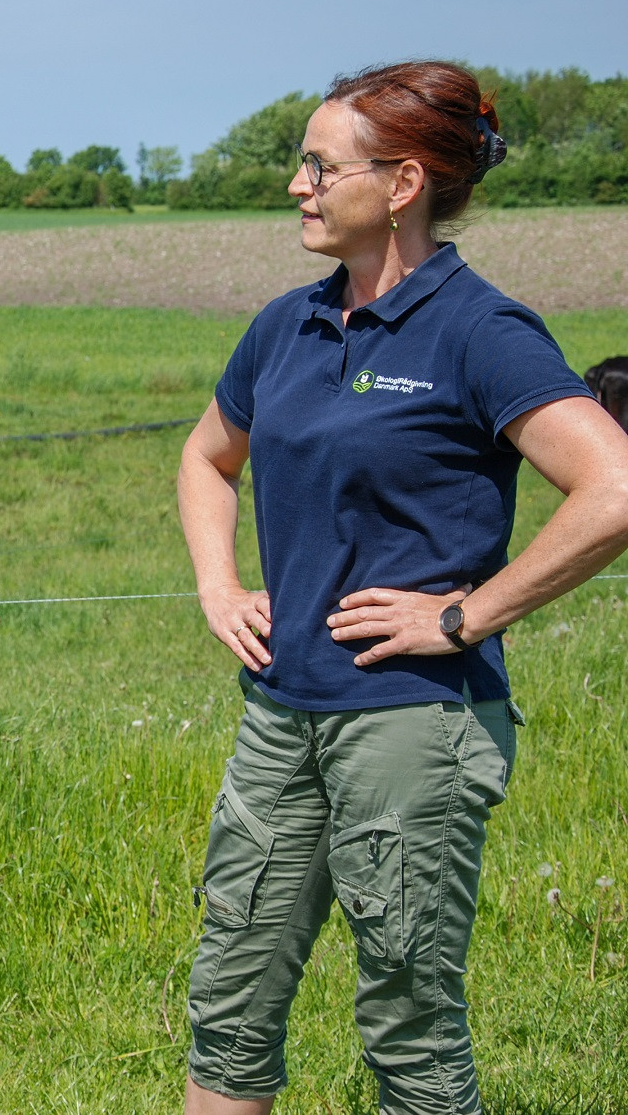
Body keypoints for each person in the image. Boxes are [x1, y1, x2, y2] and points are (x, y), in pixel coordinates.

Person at [177, 60, 628, 1115]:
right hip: (281, 715)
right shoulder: (285, 325)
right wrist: (219, 586)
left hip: (413, 723)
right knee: (228, 1005)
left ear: (403, 182)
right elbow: (206, 458)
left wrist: (465, 614)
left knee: (407, 1023)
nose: (298, 184)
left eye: (320, 165)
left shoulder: (478, 330)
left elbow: (612, 485)